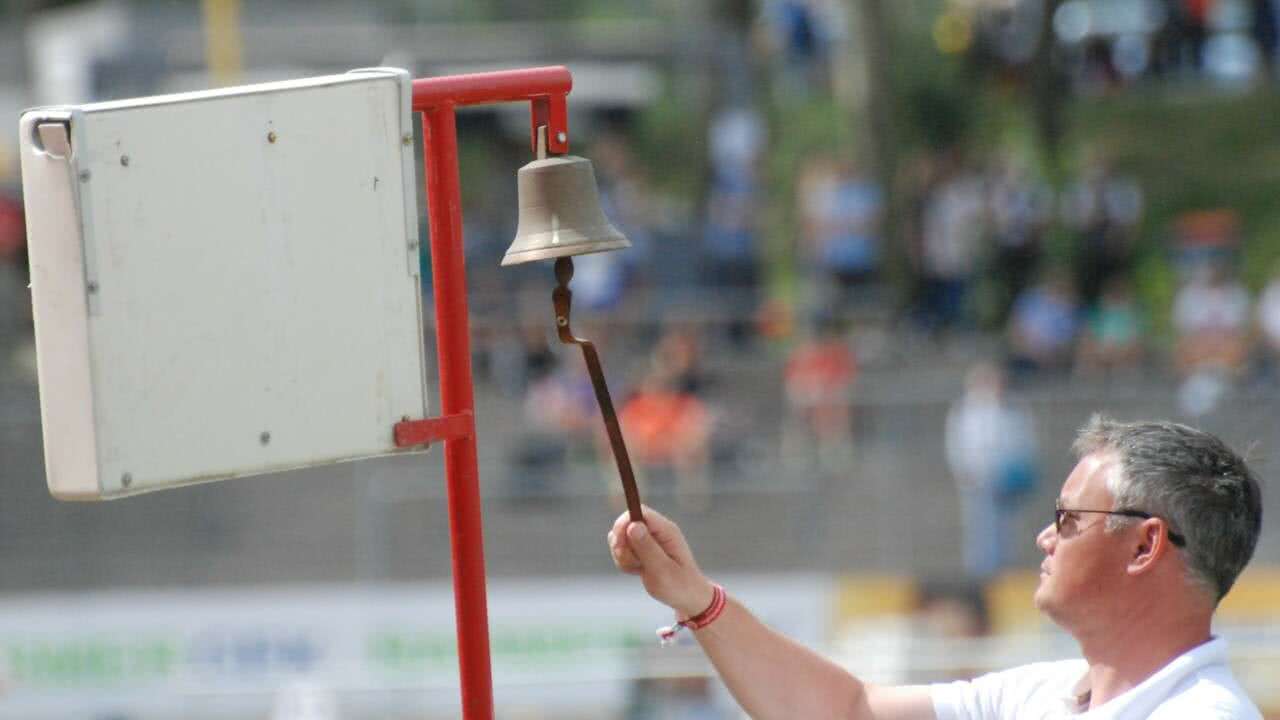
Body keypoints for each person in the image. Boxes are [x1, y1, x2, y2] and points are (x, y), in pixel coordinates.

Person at [607, 415, 1263, 718]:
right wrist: (696, 597)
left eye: (1067, 519)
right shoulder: (1044, 694)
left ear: (1145, 547)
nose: (1044, 538)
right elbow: (848, 710)